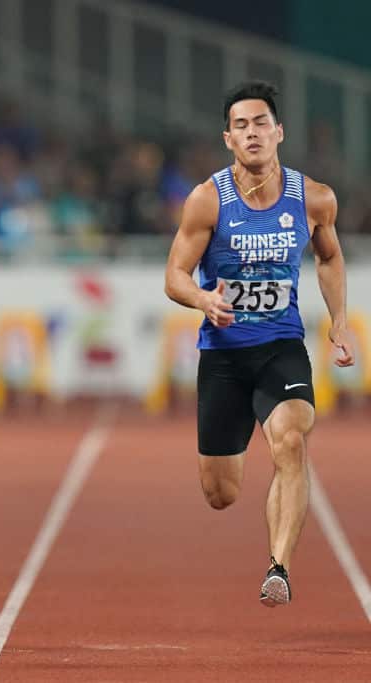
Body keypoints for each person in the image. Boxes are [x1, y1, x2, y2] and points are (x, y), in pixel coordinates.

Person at [164, 81, 355, 607]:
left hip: (281, 346)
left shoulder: (314, 198)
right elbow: (174, 275)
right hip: (223, 356)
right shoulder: (208, 200)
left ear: (279, 132)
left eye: (260, 124)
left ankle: (279, 568)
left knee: (291, 441)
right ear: (228, 138)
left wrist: (339, 321)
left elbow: (330, 257)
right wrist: (204, 301)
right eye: (241, 126)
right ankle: (236, 458)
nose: (252, 133)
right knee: (220, 495)